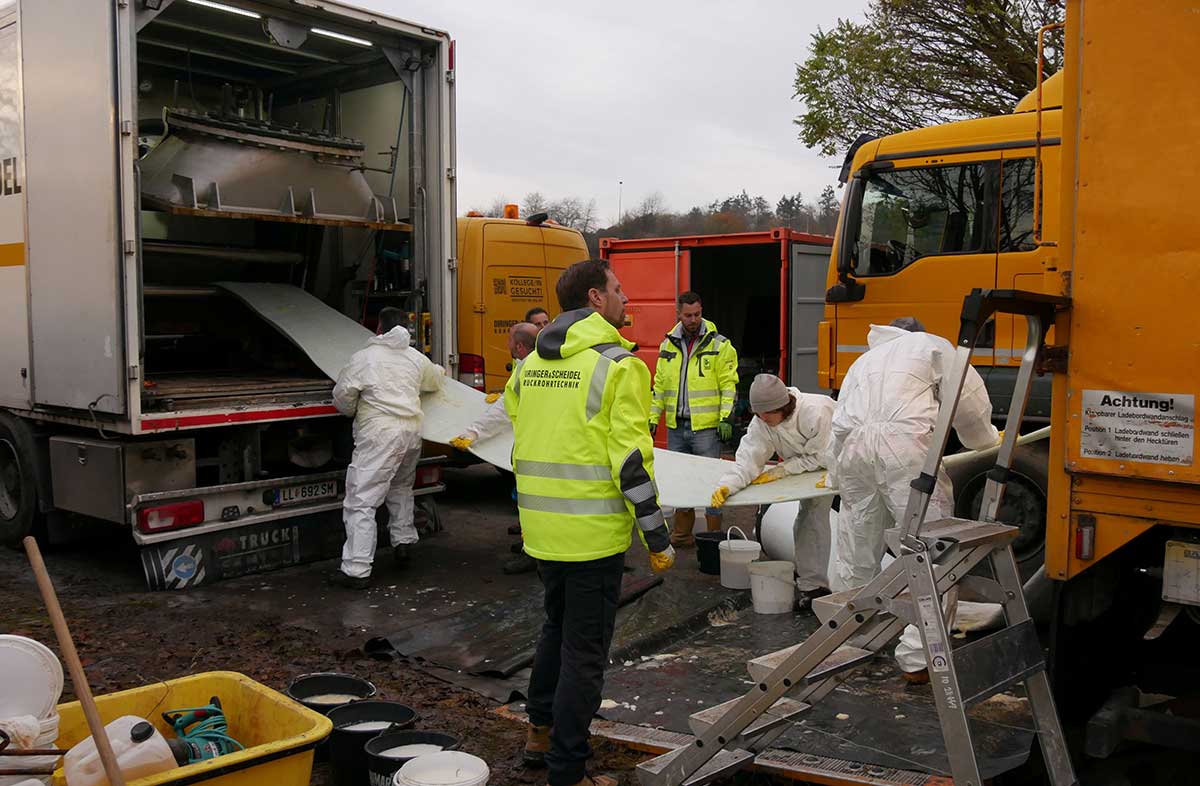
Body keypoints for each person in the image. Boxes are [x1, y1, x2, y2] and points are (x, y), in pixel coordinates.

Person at [508, 258, 674, 786]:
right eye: (619, 290)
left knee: (555, 629)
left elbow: (517, 413)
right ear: (596, 300)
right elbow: (630, 463)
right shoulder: (619, 367)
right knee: (584, 652)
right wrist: (656, 534)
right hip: (592, 537)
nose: (628, 299)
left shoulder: (533, 363)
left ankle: (538, 731)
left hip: (541, 531)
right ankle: (568, 769)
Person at [829, 316, 999, 681]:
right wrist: (984, 440)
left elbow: (839, 425)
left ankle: (850, 639)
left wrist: (834, 475)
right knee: (932, 550)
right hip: (905, 448)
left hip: (855, 453)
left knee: (857, 548)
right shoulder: (930, 345)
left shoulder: (861, 362)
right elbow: (966, 397)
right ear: (914, 331)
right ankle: (920, 659)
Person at [331, 307, 446, 589]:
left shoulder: (364, 358)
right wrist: (439, 370)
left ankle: (356, 569)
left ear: (379, 329)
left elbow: (343, 398)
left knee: (362, 500)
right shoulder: (415, 358)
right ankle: (403, 542)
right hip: (411, 432)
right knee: (400, 487)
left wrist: (352, 411)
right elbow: (434, 380)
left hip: (380, 433)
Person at [710, 374, 836, 611]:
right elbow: (749, 459)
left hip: (843, 466)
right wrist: (728, 484)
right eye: (758, 414)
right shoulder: (763, 422)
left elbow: (824, 455)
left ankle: (862, 588)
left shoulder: (816, 411)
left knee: (857, 522)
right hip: (809, 472)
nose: (763, 419)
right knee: (810, 521)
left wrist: (785, 469)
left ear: (783, 405)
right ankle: (814, 588)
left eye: (767, 414)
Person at [450, 322, 540, 574]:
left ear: (520, 346)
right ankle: (530, 545)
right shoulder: (535, 364)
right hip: (536, 443)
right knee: (529, 502)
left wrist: (472, 433)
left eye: (510, 339)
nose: (507, 343)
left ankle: (533, 553)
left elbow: (502, 414)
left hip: (530, 446)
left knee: (531, 502)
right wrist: (503, 395)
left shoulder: (528, 369)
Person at [650, 291, 739, 546]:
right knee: (681, 484)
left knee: (712, 484)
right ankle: (681, 535)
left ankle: (712, 538)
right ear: (679, 314)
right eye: (688, 315)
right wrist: (653, 416)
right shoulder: (668, 344)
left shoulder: (719, 345)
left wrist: (725, 418)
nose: (693, 320)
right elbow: (660, 385)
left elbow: (728, 385)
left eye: (697, 314)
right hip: (677, 427)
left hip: (706, 429)